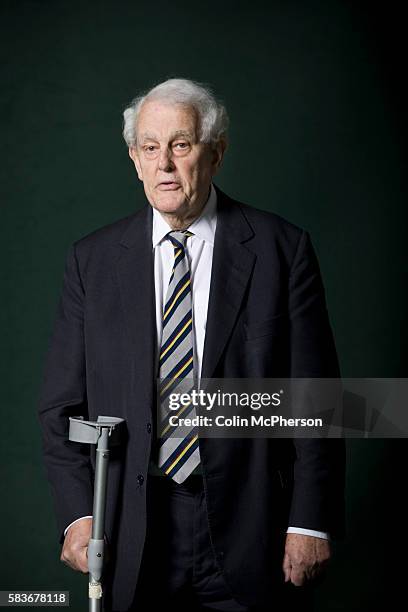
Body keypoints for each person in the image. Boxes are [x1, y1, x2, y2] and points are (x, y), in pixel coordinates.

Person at [38, 78, 345, 612]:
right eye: (150, 148)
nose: (165, 165)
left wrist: (309, 520)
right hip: (131, 527)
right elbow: (60, 408)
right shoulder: (91, 261)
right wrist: (78, 515)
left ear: (216, 153)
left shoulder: (282, 249)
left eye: (180, 145)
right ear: (134, 159)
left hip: (254, 525)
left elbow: (318, 400)